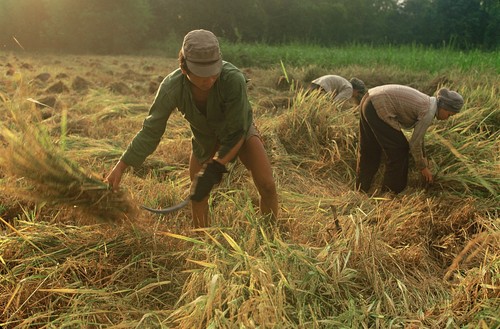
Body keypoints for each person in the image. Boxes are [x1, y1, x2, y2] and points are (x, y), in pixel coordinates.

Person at [105, 29, 278, 228]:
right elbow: (151, 130)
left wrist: (215, 167)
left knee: (267, 185)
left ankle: (269, 235)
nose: (210, 80)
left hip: (239, 133)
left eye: (214, 73)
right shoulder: (172, 87)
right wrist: (121, 166)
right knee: (198, 194)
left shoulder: (233, 80)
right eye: (202, 75)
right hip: (204, 139)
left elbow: (237, 130)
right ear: (184, 68)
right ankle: (203, 240)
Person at [356, 85, 464, 194]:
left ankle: (361, 189)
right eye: (449, 114)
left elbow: (419, 138)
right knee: (399, 149)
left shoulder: (428, 103)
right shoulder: (428, 112)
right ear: (444, 107)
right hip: (379, 105)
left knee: (370, 148)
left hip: (369, 99)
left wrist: (423, 158)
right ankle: (390, 193)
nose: (447, 118)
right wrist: (423, 168)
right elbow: (414, 144)